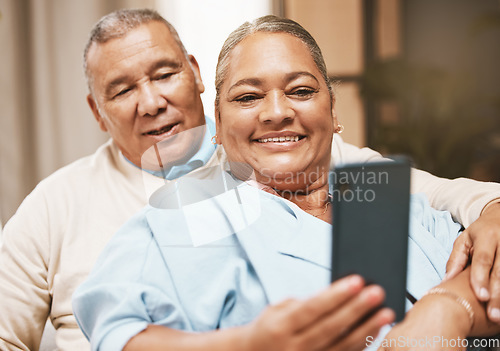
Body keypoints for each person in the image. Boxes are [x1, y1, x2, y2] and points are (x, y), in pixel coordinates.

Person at [0, 8, 499, 351]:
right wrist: (250, 344)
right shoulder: (183, 213)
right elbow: (120, 334)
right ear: (220, 122)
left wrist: (448, 309)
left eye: (301, 91)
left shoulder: (384, 194)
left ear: (333, 109)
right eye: (247, 97)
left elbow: (476, 257)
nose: (277, 113)